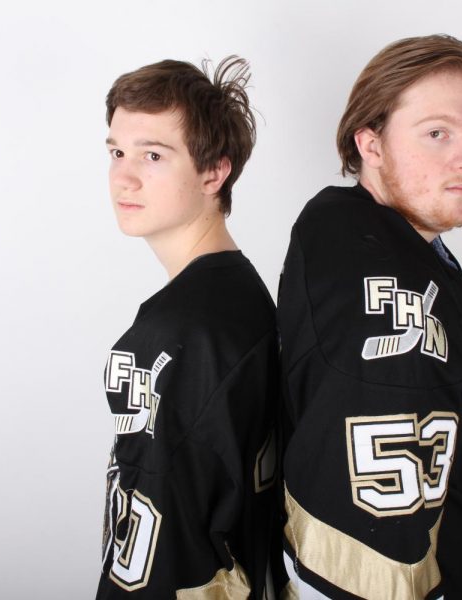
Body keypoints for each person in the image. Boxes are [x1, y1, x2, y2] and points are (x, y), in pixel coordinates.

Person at [275, 35, 462, 599]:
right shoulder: (377, 273)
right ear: (370, 143)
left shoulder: (401, 249)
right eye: (436, 133)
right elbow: (368, 537)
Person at [97, 56, 277, 599]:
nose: (123, 176)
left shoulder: (177, 334)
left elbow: (151, 548)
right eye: (116, 152)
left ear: (213, 172)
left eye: (153, 154)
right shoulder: (243, 296)